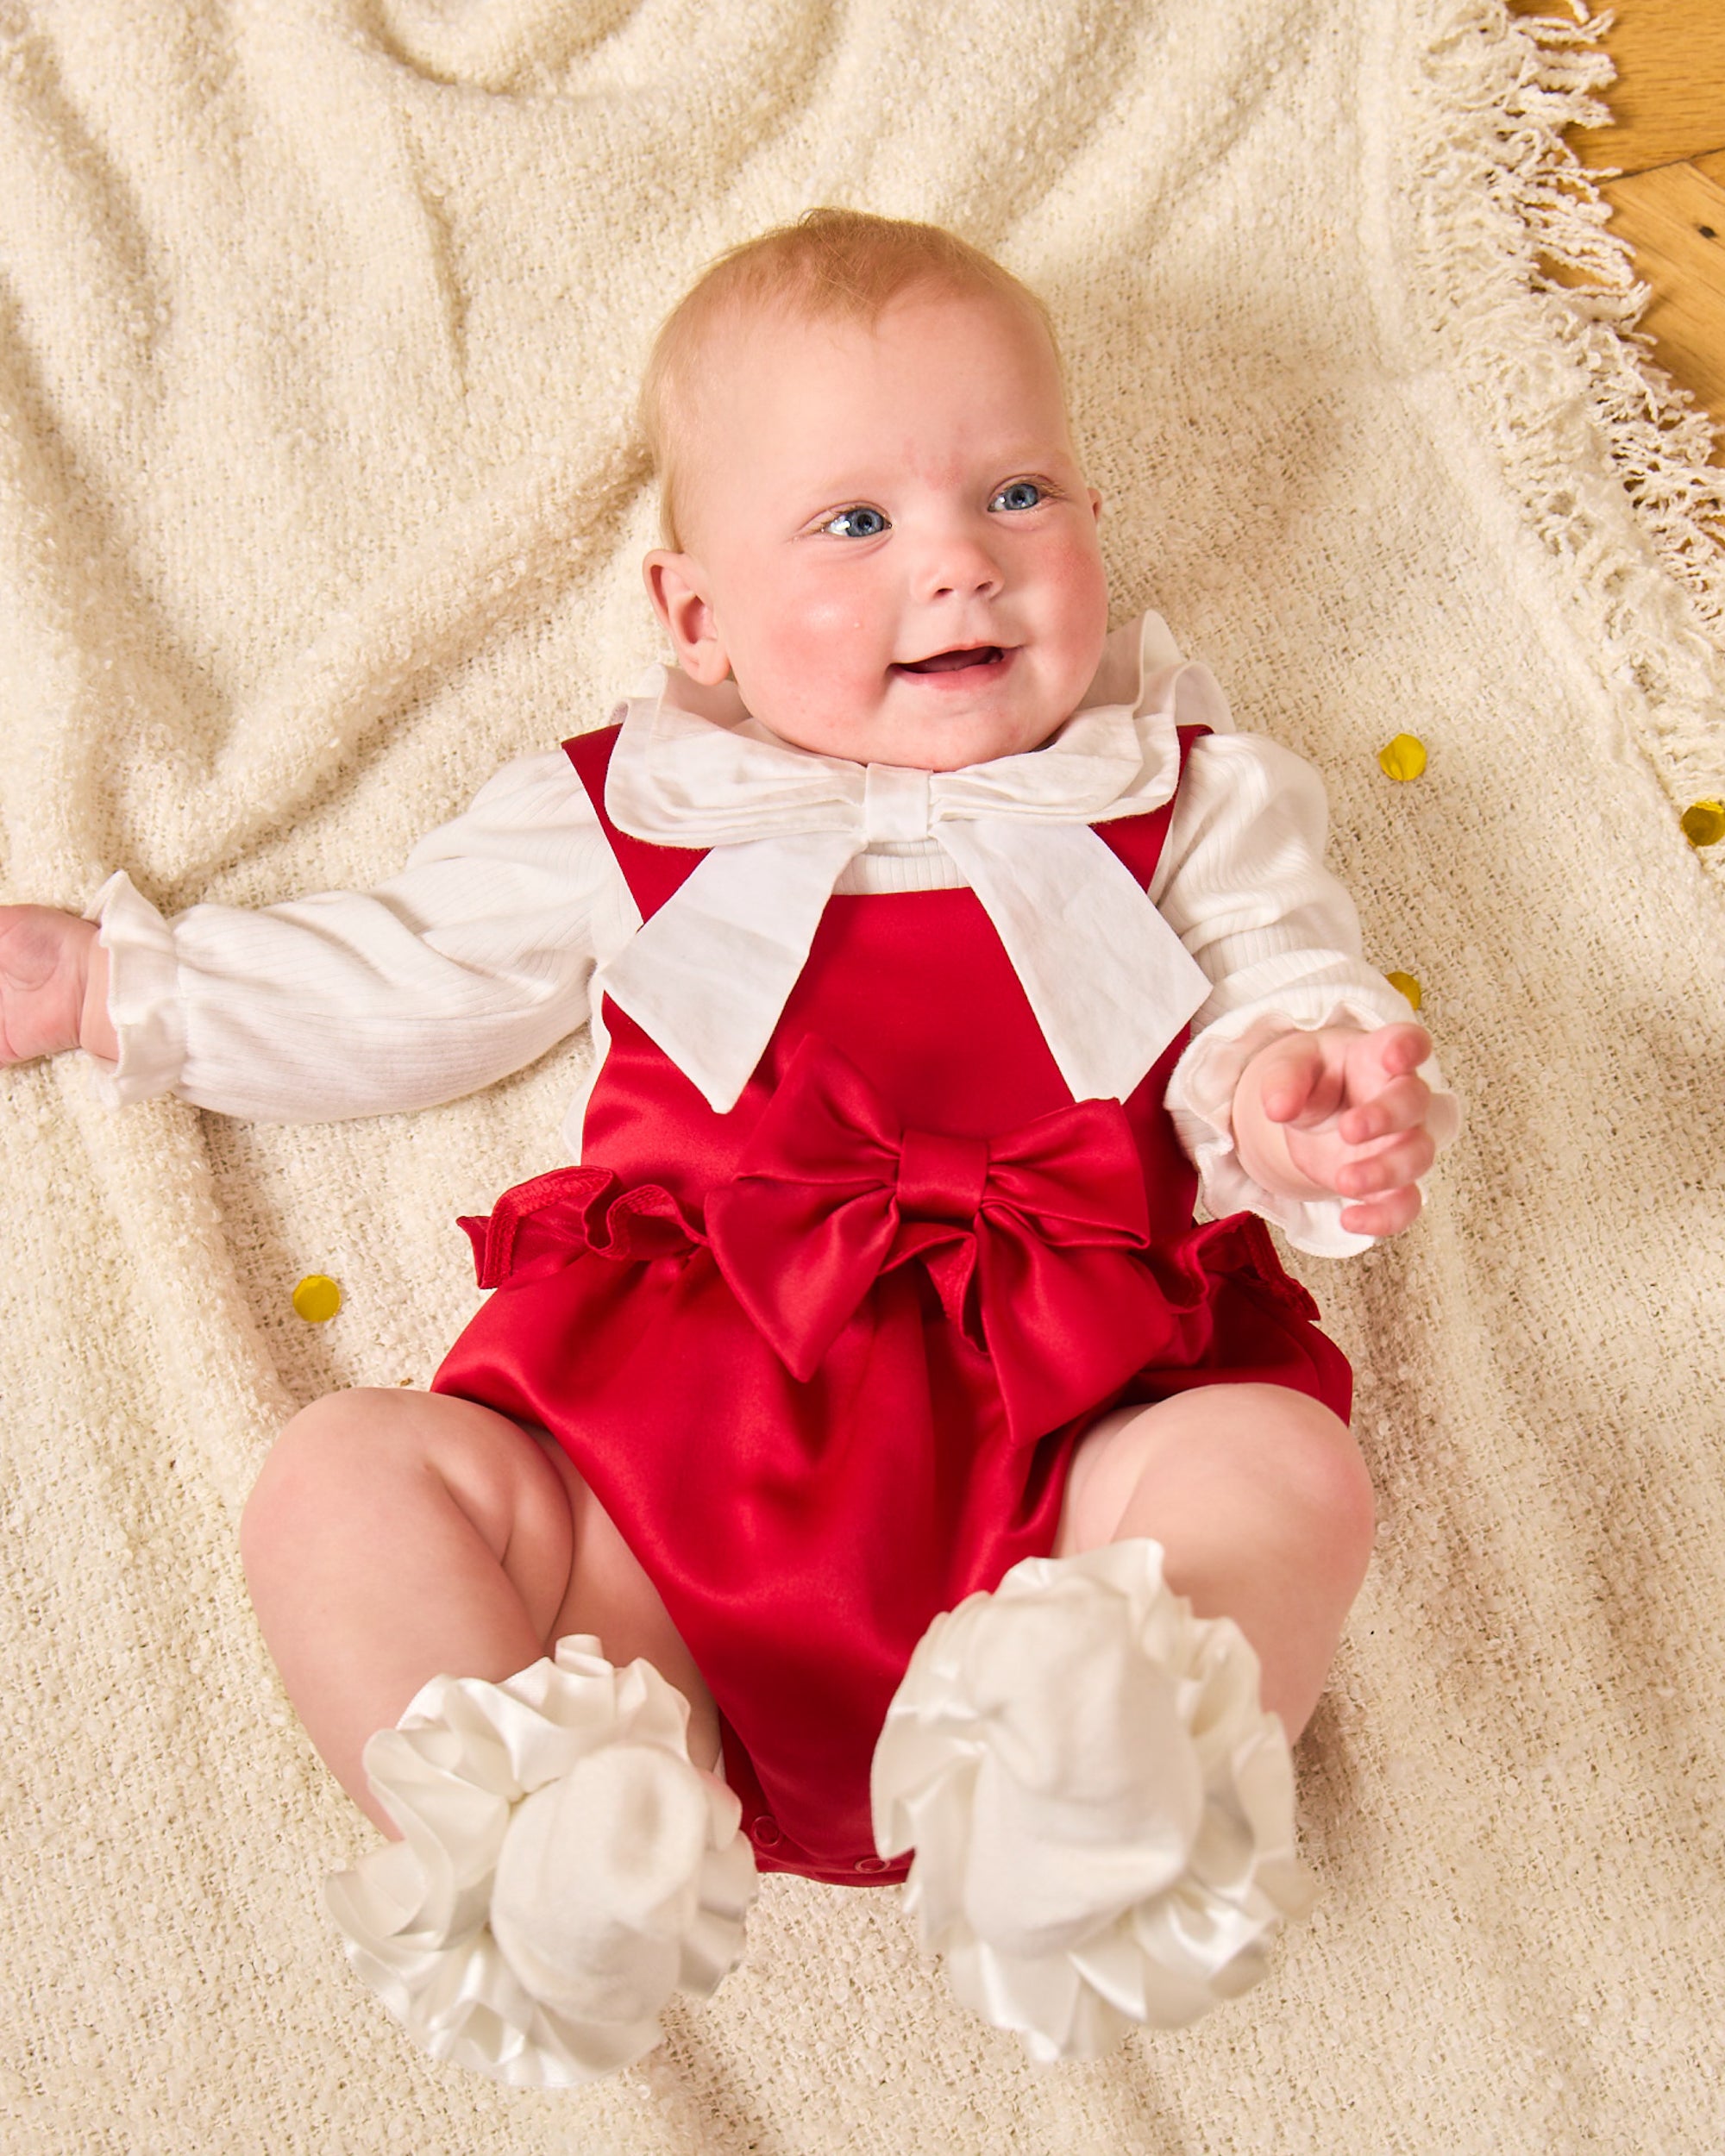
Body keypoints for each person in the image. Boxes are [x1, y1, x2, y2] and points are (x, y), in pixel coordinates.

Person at [0, 209, 1455, 2085]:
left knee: (1280, 1466)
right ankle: (546, 1832)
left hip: (1075, 1451)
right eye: (854, 524)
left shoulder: (1185, 792)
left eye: (1018, 492)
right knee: (343, 1476)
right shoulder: (631, 807)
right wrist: (117, 986)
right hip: (650, 1526)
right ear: (695, 613)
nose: (958, 562)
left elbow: (1281, 978)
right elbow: (411, 975)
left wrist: (1297, 1094)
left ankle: (1104, 1772)